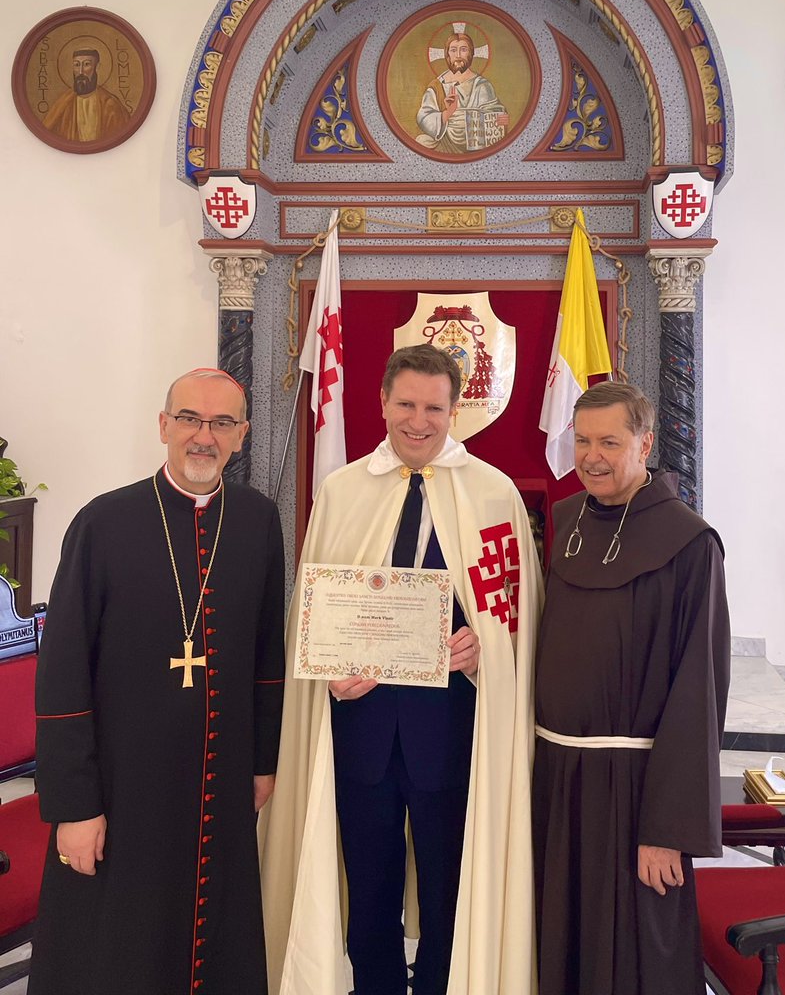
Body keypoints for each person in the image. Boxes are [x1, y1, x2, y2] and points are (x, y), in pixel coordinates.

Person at [260, 344, 541, 995]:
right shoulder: (343, 490)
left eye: (434, 408)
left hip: (451, 732)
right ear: (383, 403)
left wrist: (482, 653)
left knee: (450, 888)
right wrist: (327, 670)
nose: (419, 421)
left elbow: (512, 619)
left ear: (454, 411)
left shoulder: (492, 493)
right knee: (369, 887)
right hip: (361, 728)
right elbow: (313, 607)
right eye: (406, 404)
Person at [31, 368, 286, 995]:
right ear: (164, 426)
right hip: (119, 788)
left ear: (242, 434)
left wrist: (262, 761)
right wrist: (72, 807)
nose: (205, 436)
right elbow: (62, 671)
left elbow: (267, 654)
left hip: (219, 780)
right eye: (191, 420)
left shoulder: (257, 520)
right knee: (113, 949)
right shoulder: (104, 522)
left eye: (223, 423)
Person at [533, 381, 730, 995]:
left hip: (635, 789)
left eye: (610, 442)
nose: (592, 455)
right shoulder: (564, 521)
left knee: (632, 955)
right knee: (558, 938)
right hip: (556, 776)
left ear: (645, 444)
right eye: (583, 440)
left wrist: (667, 830)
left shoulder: (690, 543)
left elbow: (699, 693)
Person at [415, 32, 509, 153]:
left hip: (476, 143)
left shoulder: (481, 85)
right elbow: (424, 118)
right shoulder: (437, 86)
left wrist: (501, 119)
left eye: (463, 49)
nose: (458, 55)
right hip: (444, 140)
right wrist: (448, 112)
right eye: (453, 50)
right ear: (447, 54)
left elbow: (496, 115)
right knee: (422, 142)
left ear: (471, 53)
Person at [42, 47, 131, 143]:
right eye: (76, 65)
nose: (80, 72)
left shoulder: (110, 104)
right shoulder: (63, 104)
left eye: (86, 64)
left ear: (97, 67)